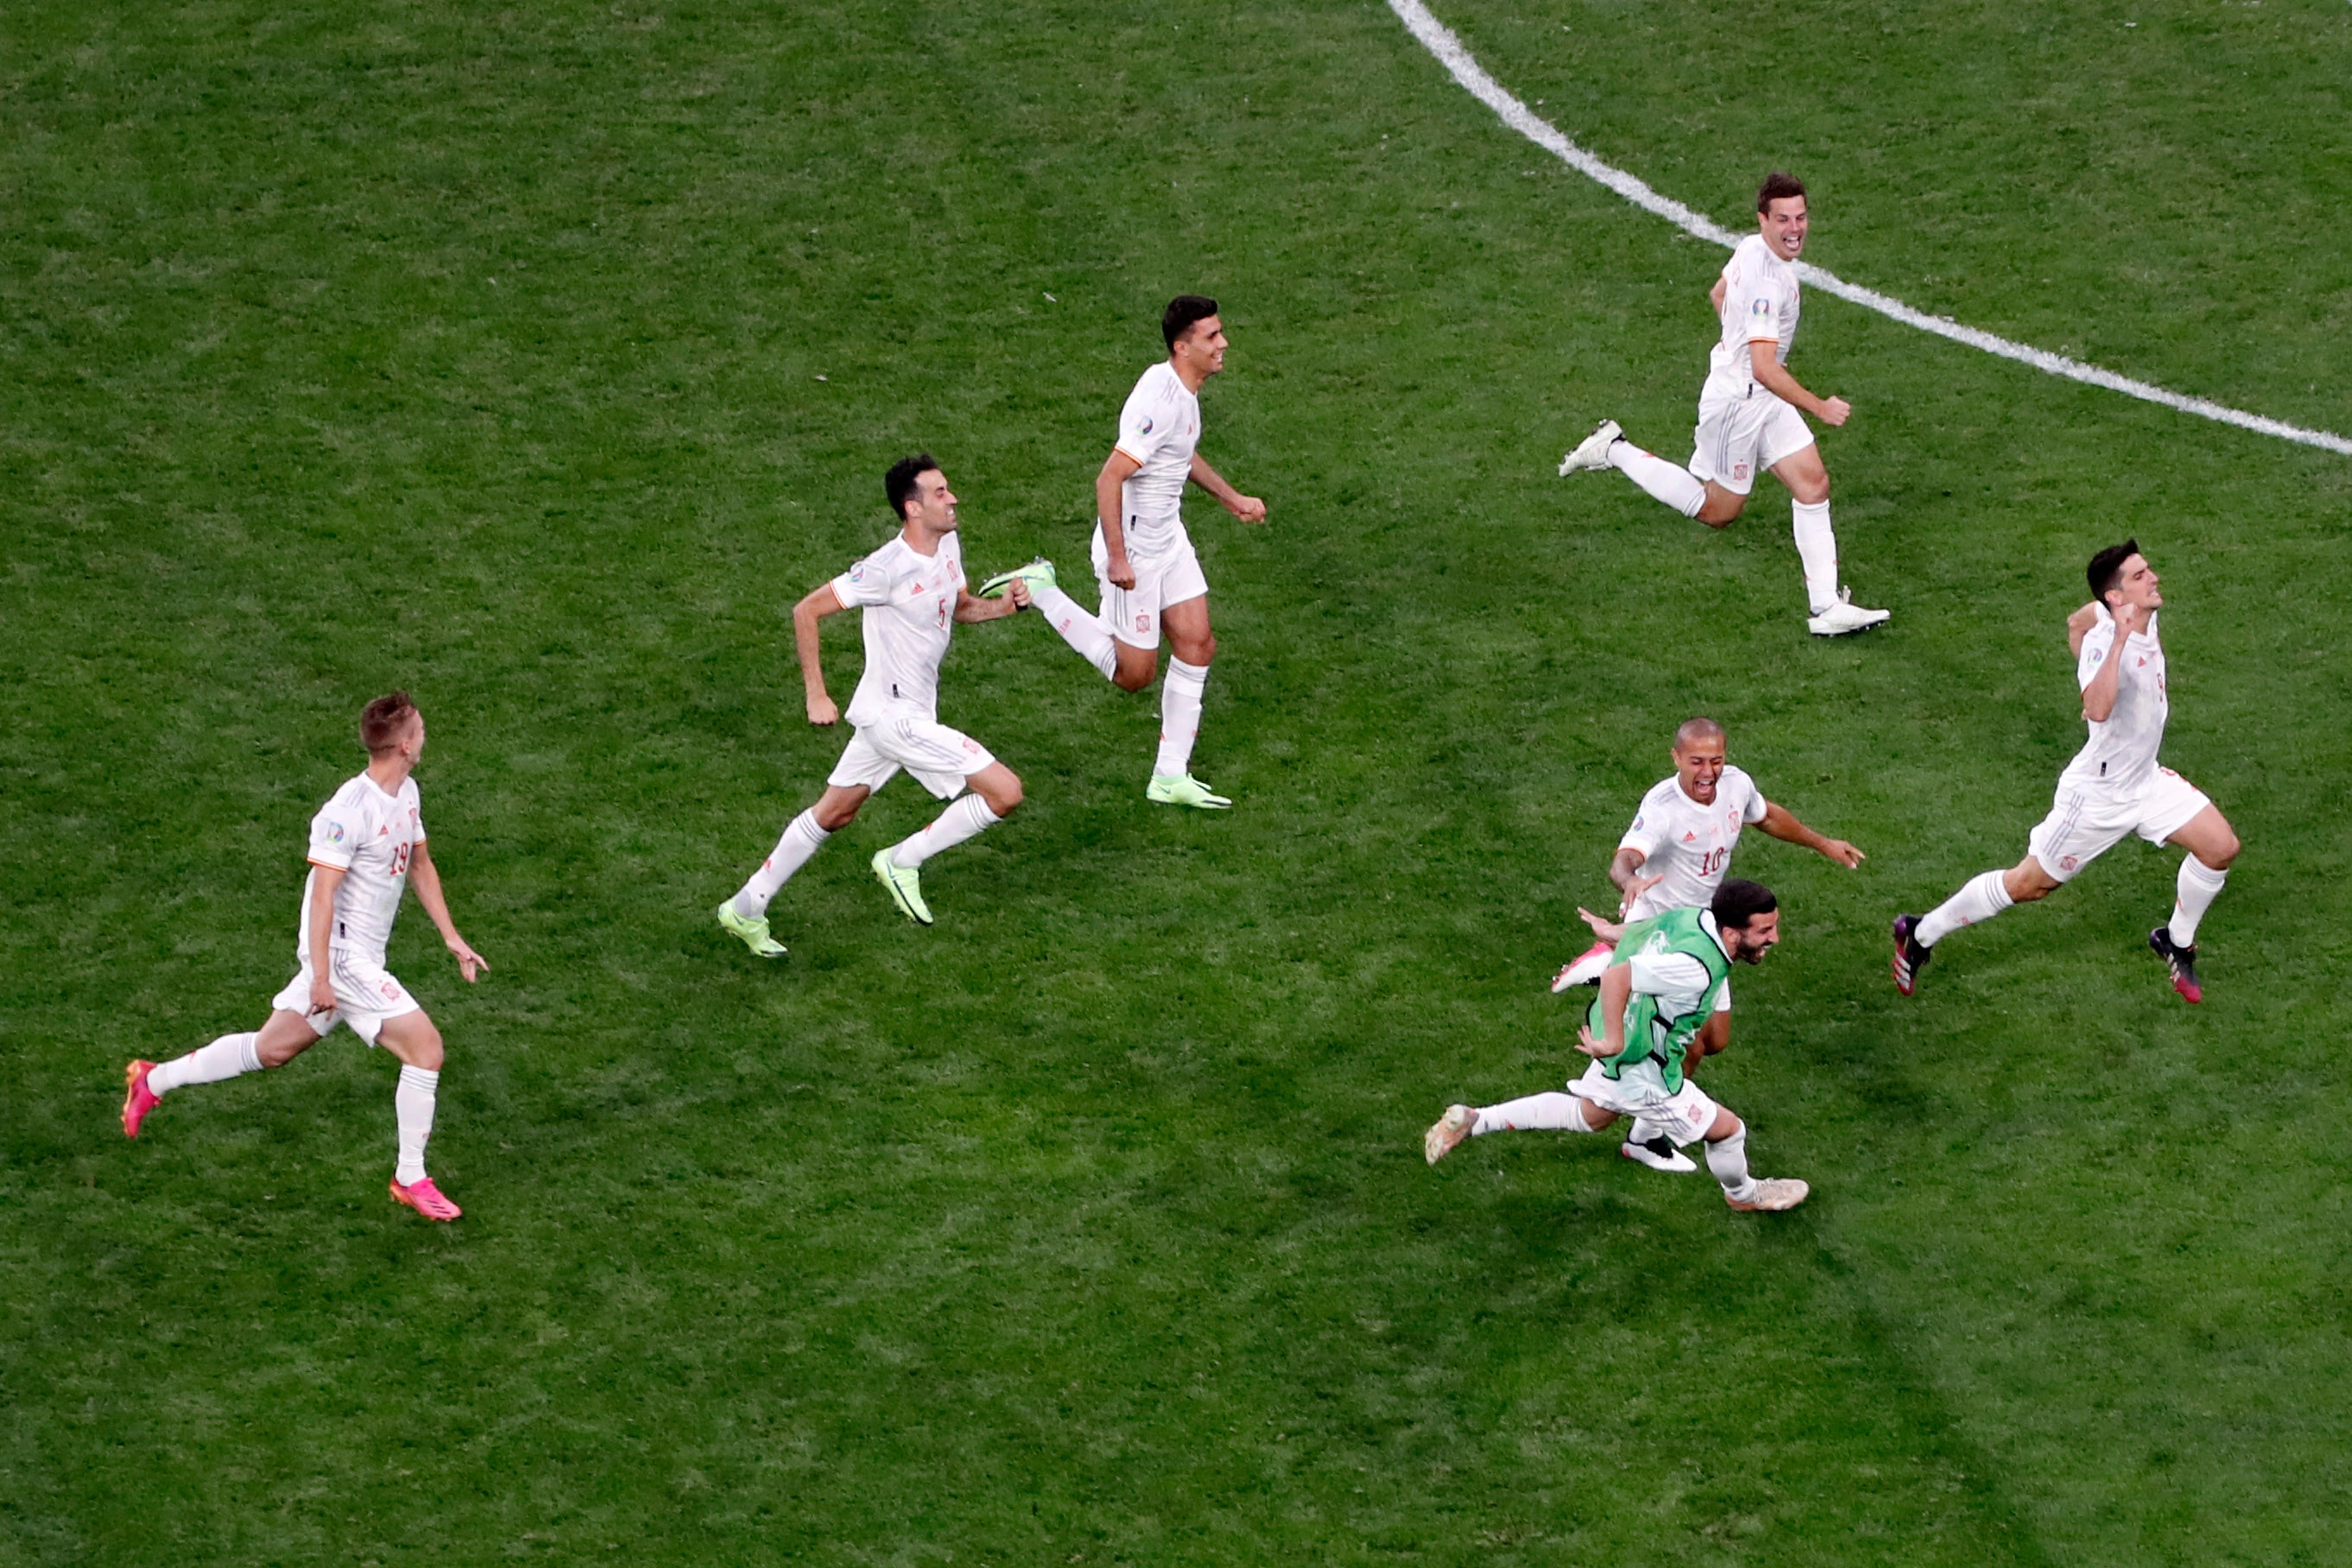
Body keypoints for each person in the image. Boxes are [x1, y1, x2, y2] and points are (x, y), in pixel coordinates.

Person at [120, 692, 489, 1223]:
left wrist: (450, 936)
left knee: (272, 1050)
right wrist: (321, 974)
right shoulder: (346, 813)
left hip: (357, 955)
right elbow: (322, 895)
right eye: (422, 730)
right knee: (426, 1051)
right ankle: (411, 1177)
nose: (426, 736)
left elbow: (420, 865)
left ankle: (151, 1081)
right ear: (404, 743)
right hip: (342, 956)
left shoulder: (407, 793)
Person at [1892, 541, 2239, 1002]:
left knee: (2220, 848)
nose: (2153, 578)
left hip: (2144, 781)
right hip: (2097, 796)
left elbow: (2076, 621)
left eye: (2147, 569)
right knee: (2030, 884)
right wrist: (2112, 647)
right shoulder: (2109, 638)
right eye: (2140, 576)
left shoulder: (2112, 614)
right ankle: (1920, 932)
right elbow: (2096, 708)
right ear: (2117, 598)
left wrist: (2102, 632)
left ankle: (2175, 941)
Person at [717, 455, 1030, 951]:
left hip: (901, 711)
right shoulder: (885, 570)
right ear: (912, 508)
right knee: (1006, 792)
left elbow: (959, 606)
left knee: (835, 812)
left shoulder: (948, 544)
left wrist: (1003, 608)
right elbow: (807, 611)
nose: (953, 499)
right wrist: (816, 694)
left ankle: (745, 906)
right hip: (895, 720)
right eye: (940, 493)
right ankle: (903, 860)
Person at [1557, 172, 1888, 636]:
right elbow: (1764, 369)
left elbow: (1719, 295)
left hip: (1759, 393)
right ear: (1763, 219)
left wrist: (1737, 343)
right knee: (1719, 511)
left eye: (1801, 217)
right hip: (1740, 402)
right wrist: (1820, 406)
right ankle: (1613, 448)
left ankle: (1826, 608)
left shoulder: (1753, 247)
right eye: (1783, 220)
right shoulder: (1768, 285)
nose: (1795, 229)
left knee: (1813, 485)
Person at [984, 295, 1266, 808]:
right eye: (1212, 337)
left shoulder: (1184, 392)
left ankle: (1168, 776)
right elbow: (1109, 477)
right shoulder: (1159, 399)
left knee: (1198, 645)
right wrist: (1118, 559)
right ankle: (1043, 591)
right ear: (1183, 347)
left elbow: (1180, 452)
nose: (1223, 344)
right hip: (1134, 547)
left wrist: (1232, 499)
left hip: (1167, 538)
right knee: (1133, 675)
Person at [1552, 717, 1863, 1172]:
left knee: (1713, 1040)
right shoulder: (1662, 807)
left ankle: (1644, 1126)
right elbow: (1625, 859)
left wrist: (1822, 844)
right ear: (1676, 758)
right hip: (1667, 935)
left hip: (1710, 930)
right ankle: (1646, 1127)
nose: (1707, 771)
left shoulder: (1735, 785)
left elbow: (1768, 815)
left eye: (1715, 760)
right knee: (1675, 1045)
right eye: (1696, 761)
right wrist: (1630, 881)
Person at [1424, 880, 1809, 1212]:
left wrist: (1609, 932)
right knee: (1728, 1130)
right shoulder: (1696, 967)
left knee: (1591, 1116)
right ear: (1730, 934)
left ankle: (1475, 1119)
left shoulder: (1695, 917)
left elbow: (1646, 932)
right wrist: (1613, 1040)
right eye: (1765, 930)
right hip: (1647, 1070)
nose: (1774, 937)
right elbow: (1617, 977)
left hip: (1632, 1043)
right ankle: (1743, 1194)